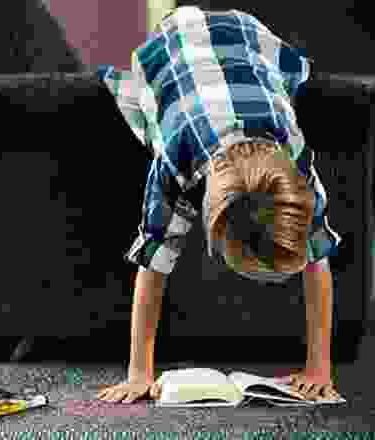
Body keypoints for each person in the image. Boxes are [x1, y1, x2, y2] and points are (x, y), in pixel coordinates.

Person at [94, 6, 343, 403]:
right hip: (174, 40)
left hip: (248, 31)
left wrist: (319, 368)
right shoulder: (177, 157)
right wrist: (139, 372)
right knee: (146, 100)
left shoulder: (294, 157)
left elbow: (318, 255)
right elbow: (152, 262)